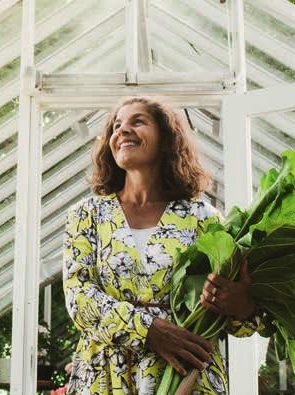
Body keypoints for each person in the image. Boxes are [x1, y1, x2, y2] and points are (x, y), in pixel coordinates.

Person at [62, 97, 262, 394]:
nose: (122, 130)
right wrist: (148, 330)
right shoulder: (86, 215)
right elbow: (79, 298)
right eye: (117, 126)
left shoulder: (204, 219)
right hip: (106, 377)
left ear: (166, 138)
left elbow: (237, 322)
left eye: (137, 121)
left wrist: (244, 307)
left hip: (186, 379)